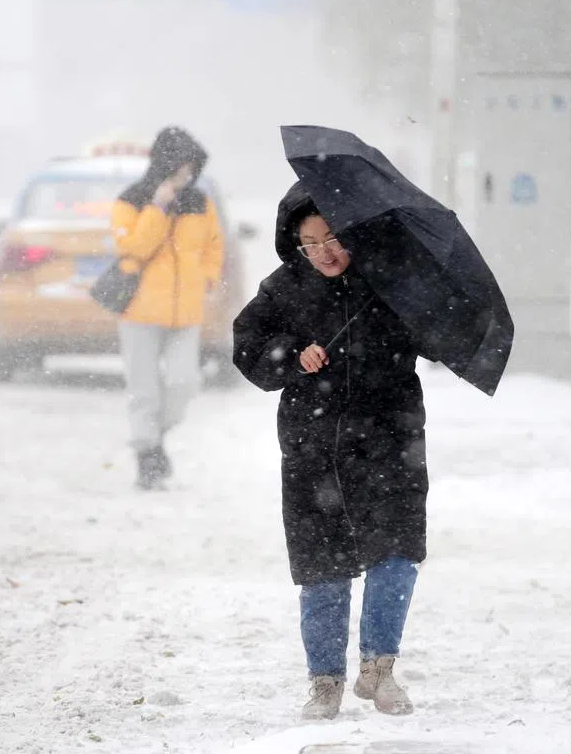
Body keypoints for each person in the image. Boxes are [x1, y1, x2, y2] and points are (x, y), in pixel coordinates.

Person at [232, 182, 428, 720]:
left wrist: (412, 315)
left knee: (397, 550)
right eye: (310, 243)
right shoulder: (283, 289)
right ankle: (324, 681)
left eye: (333, 237)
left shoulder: (391, 281)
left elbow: (434, 337)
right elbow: (247, 346)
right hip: (313, 447)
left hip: (390, 440)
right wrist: (293, 354)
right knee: (322, 562)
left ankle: (379, 669)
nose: (324, 251)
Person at [110, 127, 224, 490]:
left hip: (185, 312)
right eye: (180, 166)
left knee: (183, 383)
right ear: (164, 164)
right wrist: (157, 208)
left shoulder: (200, 202)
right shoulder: (131, 200)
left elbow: (213, 245)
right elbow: (135, 247)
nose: (186, 175)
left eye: (191, 167)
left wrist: (206, 278)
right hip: (139, 312)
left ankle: (152, 438)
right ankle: (148, 457)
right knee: (143, 390)